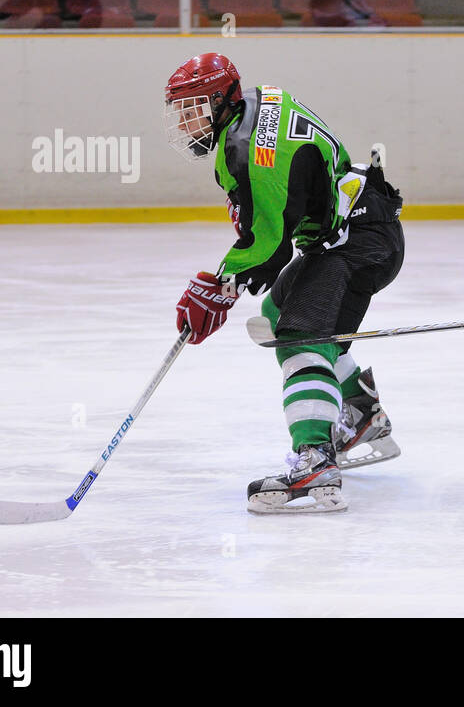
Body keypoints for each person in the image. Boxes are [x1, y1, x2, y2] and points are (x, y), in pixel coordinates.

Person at [164, 53, 406, 514]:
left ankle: (315, 463)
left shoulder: (247, 149)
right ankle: (359, 414)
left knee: (301, 338)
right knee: (278, 314)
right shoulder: (257, 106)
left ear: (220, 101)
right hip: (352, 229)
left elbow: (270, 244)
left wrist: (220, 287)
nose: (185, 121)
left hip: (357, 241)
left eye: (192, 108)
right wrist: (229, 284)